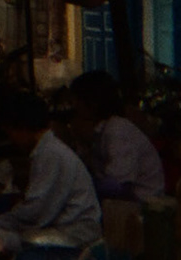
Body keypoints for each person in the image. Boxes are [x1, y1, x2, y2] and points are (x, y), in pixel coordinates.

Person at [0, 93, 102, 249]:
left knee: (10, 240)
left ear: (22, 127)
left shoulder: (51, 153)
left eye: (11, 133)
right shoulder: (46, 151)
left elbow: (36, 210)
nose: (12, 140)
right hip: (67, 229)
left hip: (76, 234)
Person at [67, 71, 165, 201]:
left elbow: (118, 186)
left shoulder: (117, 130)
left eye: (77, 102)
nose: (74, 107)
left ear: (91, 103)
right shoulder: (99, 132)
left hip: (143, 205)